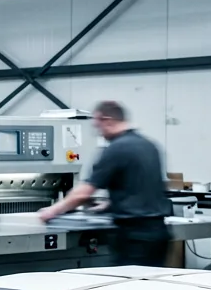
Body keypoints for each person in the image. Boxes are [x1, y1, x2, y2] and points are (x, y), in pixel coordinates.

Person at [37, 100, 171, 267]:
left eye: (98, 127)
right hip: (158, 233)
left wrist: (51, 211)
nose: (99, 133)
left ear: (107, 120)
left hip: (134, 238)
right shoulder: (149, 145)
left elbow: (84, 192)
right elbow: (142, 187)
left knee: (128, 287)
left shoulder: (117, 148)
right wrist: (109, 204)